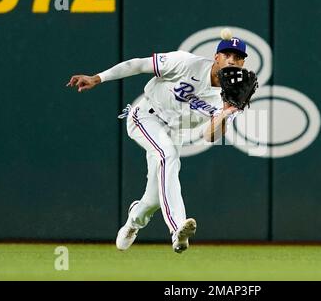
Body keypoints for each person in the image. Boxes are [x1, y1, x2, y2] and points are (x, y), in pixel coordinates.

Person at [67, 35, 248, 253]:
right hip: (145, 115)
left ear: (243, 64)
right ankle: (177, 229)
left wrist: (226, 112)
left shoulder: (235, 96)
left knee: (153, 198)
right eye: (227, 54)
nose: (231, 60)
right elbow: (138, 64)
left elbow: (209, 136)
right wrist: (98, 78)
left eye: (237, 57)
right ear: (216, 57)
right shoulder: (186, 62)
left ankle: (133, 220)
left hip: (174, 133)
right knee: (168, 156)